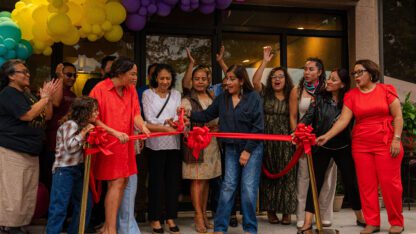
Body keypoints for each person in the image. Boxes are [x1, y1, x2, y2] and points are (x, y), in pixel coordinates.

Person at [316, 60, 404, 234]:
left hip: (386, 141)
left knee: (390, 184)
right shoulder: (351, 95)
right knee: (366, 185)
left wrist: (397, 138)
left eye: (359, 72)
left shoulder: (386, 90)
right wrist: (327, 135)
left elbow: (398, 116)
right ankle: (372, 222)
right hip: (361, 144)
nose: (356, 76)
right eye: (354, 73)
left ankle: (396, 221)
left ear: (370, 73)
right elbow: (343, 120)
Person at [189, 64, 264, 234]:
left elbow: (258, 127)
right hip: (231, 147)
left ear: (241, 80)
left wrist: (247, 151)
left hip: (252, 149)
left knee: (248, 189)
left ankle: (250, 229)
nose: (228, 83)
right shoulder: (222, 98)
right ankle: (220, 228)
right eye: (227, 79)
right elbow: (207, 115)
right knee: (228, 186)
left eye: (232, 79)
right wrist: (188, 115)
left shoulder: (253, 97)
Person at [297, 68, 365, 233]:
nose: (328, 82)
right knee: (315, 182)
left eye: (333, 80)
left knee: (351, 183)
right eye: (329, 79)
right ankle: (307, 222)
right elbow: (307, 117)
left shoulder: (349, 100)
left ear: (342, 85)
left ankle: (360, 217)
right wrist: (298, 130)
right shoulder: (319, 98)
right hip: (322, 146)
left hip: (343, 146)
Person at [89, 57, 150, 234]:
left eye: (136, 74)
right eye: (132, 74)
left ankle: (110, 228)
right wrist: (114, 132)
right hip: (108, 145)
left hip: (126, 145)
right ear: (120, 73)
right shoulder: (99, 89)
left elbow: (136, 114)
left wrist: (143, 126)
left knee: (121, 184)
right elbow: (93, 118)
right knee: (116, 184)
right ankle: (110, 229)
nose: (135, 78)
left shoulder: (131, 90)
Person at [0, 59, 57, 234]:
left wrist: (45, 99)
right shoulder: (8, 93)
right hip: (12, 150)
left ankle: (19, 224)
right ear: (11, 76)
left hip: (31, 150)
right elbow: (27, 115)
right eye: (23, 72)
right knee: (14, 190)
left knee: (27, 191)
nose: (27, 74)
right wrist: (45, 97)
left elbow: (46, 116)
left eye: (27, 71)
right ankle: (9, 225)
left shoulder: (26, 93)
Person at [252, 46, 298, 225]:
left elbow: (294, 116)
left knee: (287, 176)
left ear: (286, 80)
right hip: (267, 140)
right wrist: (265, 61)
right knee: (268, 175)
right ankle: (271, 211)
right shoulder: (264, 93)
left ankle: (287, 212)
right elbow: (255, 81)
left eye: (280, 76)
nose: (277, 79)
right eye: (274, 77)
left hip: (286, 141)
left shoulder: (291, 95)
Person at [295, 57, 337, 228]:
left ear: (320, 72)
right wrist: (297, 135)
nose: (307, 72)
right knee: (303, 177)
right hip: (304, 141)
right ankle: (301, 215)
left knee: (327, 178)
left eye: (311, 69)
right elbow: (294, 116)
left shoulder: (328, 89)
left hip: (326, 139)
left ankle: (325, 213)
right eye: (305, 69)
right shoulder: (297, 91)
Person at [45, 96, 98, 234]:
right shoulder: (71, 125)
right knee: (59, 207)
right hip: (64, 170)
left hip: (78, 169)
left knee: (85, 204)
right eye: (94, 111)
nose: (97, 113)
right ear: (84, 112)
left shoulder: (81, 126)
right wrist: (84, 132)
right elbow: (71, 147)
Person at [142, 64, 182, 234]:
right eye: (161, 78)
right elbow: (149, 119)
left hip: (174, 142)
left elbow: (177, 116)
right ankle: (155, 218)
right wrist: (167, 124)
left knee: (173, 182)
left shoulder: (176, 94)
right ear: (155, 78)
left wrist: (174, 122)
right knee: (156, 182)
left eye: (168, 78)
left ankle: (171, 216)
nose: (165, 81)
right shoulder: (147, 94)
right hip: (155, 144)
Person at [181, 65, 221, 233]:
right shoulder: (187, 99)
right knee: (197, 180)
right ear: (191, 80)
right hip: (195, 144)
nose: (200, 82)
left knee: (206, 181)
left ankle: (204, 213)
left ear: (208, 81)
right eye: (196, 78)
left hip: (212, 144)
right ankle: (197, 215)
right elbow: (183, 121)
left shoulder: (213, 96)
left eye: (203, 79)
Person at [134, 63, 158, 224]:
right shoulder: (140, 91)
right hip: (142, 138)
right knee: (141, 177)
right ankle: (140, 210)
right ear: (149, 76)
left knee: (157, 177)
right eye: (154, 74)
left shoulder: (171, 93)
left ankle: (157, 211)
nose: (157, 78)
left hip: (162, 140)